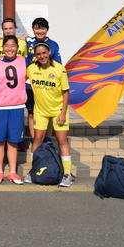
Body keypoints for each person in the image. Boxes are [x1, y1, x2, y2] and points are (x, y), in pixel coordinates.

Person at [24, 42, 73, 187]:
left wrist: (63, 112)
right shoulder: (31, 68)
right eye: (38, 54)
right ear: (35, 55)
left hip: (58, 111)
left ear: (49, 52)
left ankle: (67, 174)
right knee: (37, 140)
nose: (42, 56)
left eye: (44, 53)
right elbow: (18, 79)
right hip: (40, 111)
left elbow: (66, 92)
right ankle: (34, 170)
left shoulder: (59, 69)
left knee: (62, 141)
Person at [0, 35, 27, 185]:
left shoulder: (24, 61)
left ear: (18, 47)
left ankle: (12, 171)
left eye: (13, 45)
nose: (10, 48)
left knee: (13, 141)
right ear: (2, 48)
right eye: (7, 45)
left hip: (16, 106)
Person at [25, 17, 63, 142]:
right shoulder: (27, 42)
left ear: (47, 29)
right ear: (33, 29)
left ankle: (47, 140)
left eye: (42, 28)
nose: (40, 31)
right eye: (37, 28)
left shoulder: (53, 45)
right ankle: (34, 139)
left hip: (47, 85)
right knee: (31, 112)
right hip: (31, 84)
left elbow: (58, 66)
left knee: (49, 113)